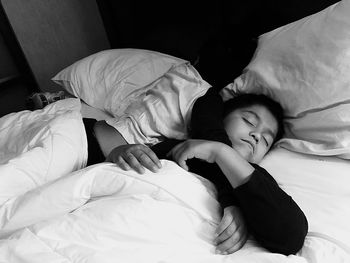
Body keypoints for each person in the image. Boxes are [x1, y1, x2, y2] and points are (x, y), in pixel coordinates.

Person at [83, 88, 308, 256]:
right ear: (221, 121)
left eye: (266, 140)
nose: (256, 135)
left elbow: (291, 235)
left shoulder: (255, 178)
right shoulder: (182, 147)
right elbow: (120, 173)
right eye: (249, 121)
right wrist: (120, 152)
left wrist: (221, 152)